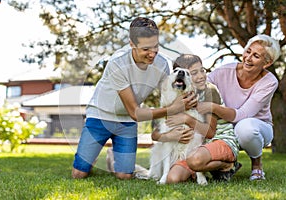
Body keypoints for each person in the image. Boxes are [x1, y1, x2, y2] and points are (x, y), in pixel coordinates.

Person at [71, 17, 195, 180]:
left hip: (126, 122)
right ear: (132, 44)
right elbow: (136, 112)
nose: (152, 54)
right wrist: (173, 109)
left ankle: (112, 156)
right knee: (79, 174)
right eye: (146, 49)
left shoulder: (163, 64)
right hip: (100, 116)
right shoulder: (117, 63)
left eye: (155, 47)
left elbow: (169, 95)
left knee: (124, 176)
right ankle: (90, 156)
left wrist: (188, 101)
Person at [196, 34, 281, 181]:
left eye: (256, 56)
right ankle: (227, 164)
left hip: (257, 127)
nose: (248, 58)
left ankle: (257, 165)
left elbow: (243, 114)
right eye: (248, 51)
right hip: (225, 128)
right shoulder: (224, 72)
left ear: (267, 63)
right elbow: (200, 88)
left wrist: (212, 107)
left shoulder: (269, 82)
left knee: (245, 128)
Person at [151, 54, 240, 183]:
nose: (200, 76)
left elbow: (209, 133)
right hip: (196, 150)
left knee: (195, 160)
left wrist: (186, 118)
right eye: (193, 73)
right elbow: (155, 135)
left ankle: (227, 165)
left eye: (202, 70)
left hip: (220, 139)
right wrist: (170, 136)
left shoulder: (210, 90)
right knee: (173, 178)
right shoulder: (171, 97)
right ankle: (196, 168)